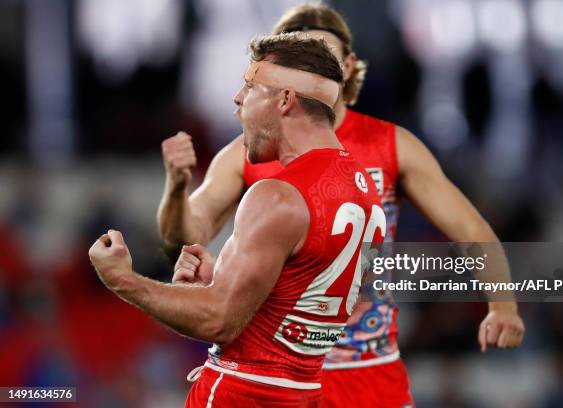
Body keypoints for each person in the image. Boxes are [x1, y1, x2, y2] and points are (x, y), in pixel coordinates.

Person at [158, 4, 526, 407]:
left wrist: (503, 305)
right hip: (278, 376)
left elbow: (470, 230)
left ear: (348, 66)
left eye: (322, 56)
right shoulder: (248, 152)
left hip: (365, 371)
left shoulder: (391, 145)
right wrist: (177, 190)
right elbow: (187, 234)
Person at [90, 32, 385, 407]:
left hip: (244, 394)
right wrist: (222, 283)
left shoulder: (277, 195)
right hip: (303, 393)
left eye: (249, 87)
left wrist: (123, 281)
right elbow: (305, 306)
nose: (237, 101)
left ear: (284, 99)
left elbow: (218, 320)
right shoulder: (365, 191)